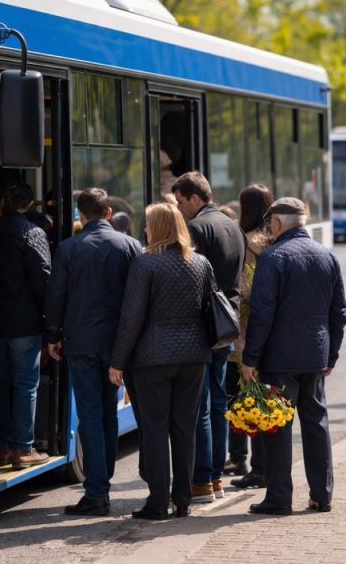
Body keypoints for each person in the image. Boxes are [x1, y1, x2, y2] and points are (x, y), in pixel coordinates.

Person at [241, 197, 346, 516]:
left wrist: (250, 357)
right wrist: (332, 354)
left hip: (279, 359)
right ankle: (322, 494)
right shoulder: (327, 256)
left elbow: (262, 313)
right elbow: (338, 312)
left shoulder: (273, 258)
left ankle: (279, 497)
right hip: (315, 355)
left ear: (276, 223)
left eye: (269, 223)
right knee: (316, 425)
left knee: (277, 427)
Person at [107, 203, 213, 520]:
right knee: (184, 428)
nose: (145, 228)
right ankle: (183, 499)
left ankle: (156, 502)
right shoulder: (200, 262)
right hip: (194, 357)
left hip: (152, 358)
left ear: (157, 228)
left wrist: (118, 361)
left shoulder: (145, 263)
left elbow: (132, 318)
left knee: (155, 430)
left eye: (148, 223)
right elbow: (210, 307)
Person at [44, 188, 142, 516]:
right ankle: (104, 478)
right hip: (118, 344)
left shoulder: (69, 249)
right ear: (109, 213)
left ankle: (97, 490)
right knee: (108, 412)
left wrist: (53, 335)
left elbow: (56, 296)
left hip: (81, 342)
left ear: (80, 215)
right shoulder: (130, 245)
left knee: (89, 414)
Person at [171, 171, 246, 503]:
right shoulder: (232, 225)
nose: (180, 209)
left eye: (181, 202)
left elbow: (188, 278)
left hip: (201, 326)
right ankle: (215, 477)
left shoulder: (198, 227)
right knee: (218, 403)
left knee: (200, 405)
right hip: (226, 324)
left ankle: (201, 479)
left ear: (194, 198)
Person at [0, 183, 52, 469]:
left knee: (1, 384)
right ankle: (22, 448)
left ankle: (3, 445)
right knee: (26, 385)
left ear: (4, 201)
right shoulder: (32, 233)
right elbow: (43, 278)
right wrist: (52, 321)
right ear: (30, 205)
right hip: (25, 321)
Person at [227, 184, 273, 490]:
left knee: (241, 397)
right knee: (266, 398)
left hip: (245, 333)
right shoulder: (274, 239)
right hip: (273, 333)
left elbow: (242, 290)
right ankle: (262, 464)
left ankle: (249, 463)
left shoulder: (245, 242)